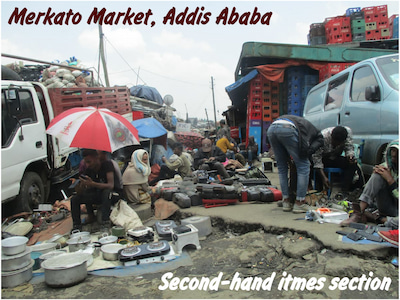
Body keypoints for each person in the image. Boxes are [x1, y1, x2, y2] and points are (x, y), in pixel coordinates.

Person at [267, 115, 324, 213]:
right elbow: (305, 148)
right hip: (287, 128)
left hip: (272, 128)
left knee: (282, 167)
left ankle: (286, 201)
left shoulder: (305, 124)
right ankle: (300, 202)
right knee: (304, 166)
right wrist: (307, 153)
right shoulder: (315, 133)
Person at [340, 140, 398, 227]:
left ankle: (378, 218)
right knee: (378, 175)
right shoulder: (389, 166)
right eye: (393, 151)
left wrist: (390, 180)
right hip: (389, 208)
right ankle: (358, 213)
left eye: (398, 152)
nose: (394, 155)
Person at [70, 149, 119, 231]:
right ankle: (77, 226)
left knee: (106, 192)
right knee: (75, 199)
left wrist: (93, 184)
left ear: (96, 158)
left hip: (113, 195)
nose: (87, 164)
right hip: (98, 196)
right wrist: (79, 187)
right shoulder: (89, 170)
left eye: (89, 162)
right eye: (86, 162)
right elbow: (84, 190)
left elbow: (110, 185)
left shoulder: (107, 165)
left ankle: (105, 222)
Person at [312, 126, 362, 193]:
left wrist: (350, 156)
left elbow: (349, 147)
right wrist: (324, 177)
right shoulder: (322, 137)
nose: (336, 145)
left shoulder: (347, 134)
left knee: (352, 164)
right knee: (315, 167)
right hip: (323, 158)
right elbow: (316, 158)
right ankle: (319, 191)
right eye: (334, 142)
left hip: (335, 157)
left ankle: (344, 191)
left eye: (339, 143)